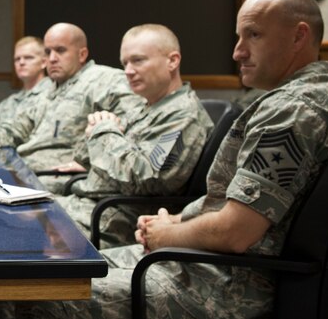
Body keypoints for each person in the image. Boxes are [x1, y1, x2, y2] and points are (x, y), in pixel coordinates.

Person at [16, 0, 328, 319]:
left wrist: (168, 236)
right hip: (212, 270)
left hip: (227, 292)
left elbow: (237, 231)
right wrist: (177, 223)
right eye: (239, 38)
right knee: (59, 273)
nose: (237, 52)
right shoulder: (299, 100)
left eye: (253, 36)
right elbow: (236, 207)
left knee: (42, 300)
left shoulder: (293, 111)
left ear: (298, 36)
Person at [55, 24, 213, 248]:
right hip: (85, 205)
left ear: (172, 61)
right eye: (125, 63)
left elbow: (146, 179)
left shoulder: (183, 116)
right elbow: (86, 157)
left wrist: (103, 131)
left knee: (20, 232)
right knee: (8, 216)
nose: (128, 70)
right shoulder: (143, 108)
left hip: (112, 222)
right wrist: (99, 128)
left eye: (138, 60)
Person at [0, 23, 142, 181]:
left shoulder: (106, 80)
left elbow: (136, 126)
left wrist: (91, 162)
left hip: (60, 180)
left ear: (82, 54)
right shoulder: (47, 89)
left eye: (61, 50)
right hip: (23, 172)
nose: (52, 58)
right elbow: (17, 127)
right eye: (48, 52)